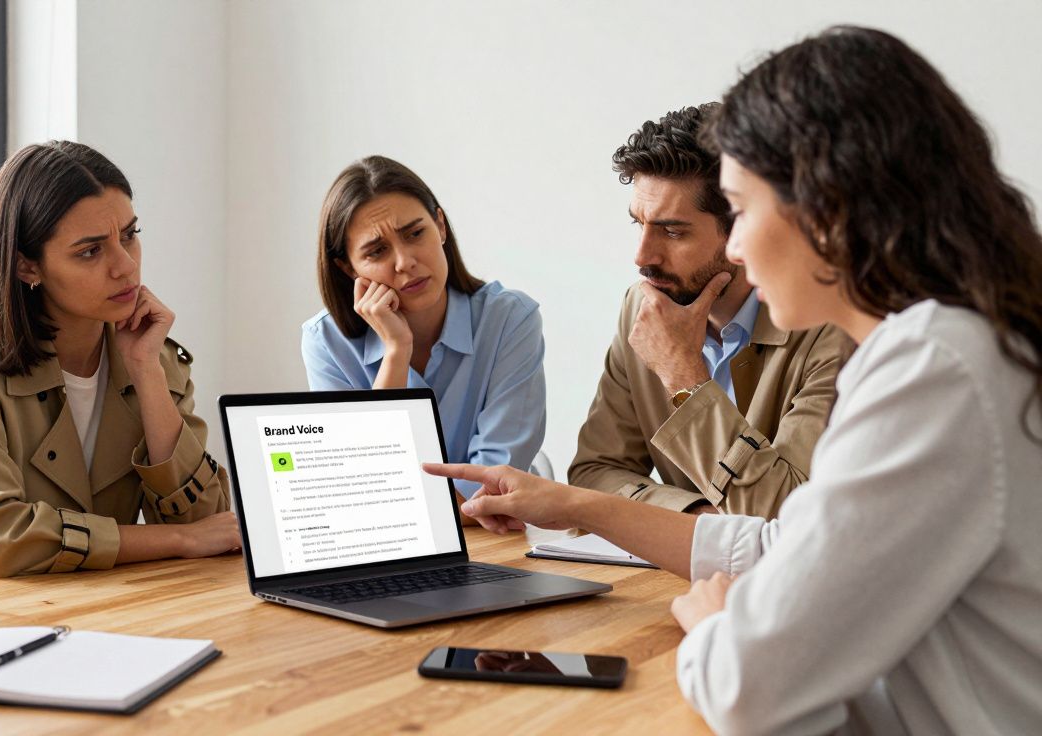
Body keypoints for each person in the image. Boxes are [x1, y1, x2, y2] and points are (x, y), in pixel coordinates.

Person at [426, 26, 1042, 734]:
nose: (740, 247)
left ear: (827, 208)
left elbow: (749, 688)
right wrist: (573, 504)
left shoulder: (933, 368)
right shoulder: (948, 345)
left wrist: (717, 625)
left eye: (742, 211)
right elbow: (790, 546)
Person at [0, 141, 238, 592]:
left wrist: (147, 373)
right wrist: (177, 540)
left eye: (130, 235)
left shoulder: (154, 357)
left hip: (97, 607)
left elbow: (211, 526)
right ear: (27, 267)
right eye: (90, 251)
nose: (126, 266)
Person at [569, 104, 851, 518]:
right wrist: (696, 517)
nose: (642, 257)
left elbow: (791, 514)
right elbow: (595, 473)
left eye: (672, 231)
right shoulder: (642, 309)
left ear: (741, 230)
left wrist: (684, 377)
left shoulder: (831, 328)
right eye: (639, 225)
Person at [301, 155, 546, 501]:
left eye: (415, 233)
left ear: (440, 226)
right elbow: (359, 486)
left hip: (491, 530)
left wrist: (400, 502)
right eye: (377, 251)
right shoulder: (326, 342)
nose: (405, 262)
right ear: (348, 269)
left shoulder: (510, 319)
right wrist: (396, 351)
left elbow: (493, 486)